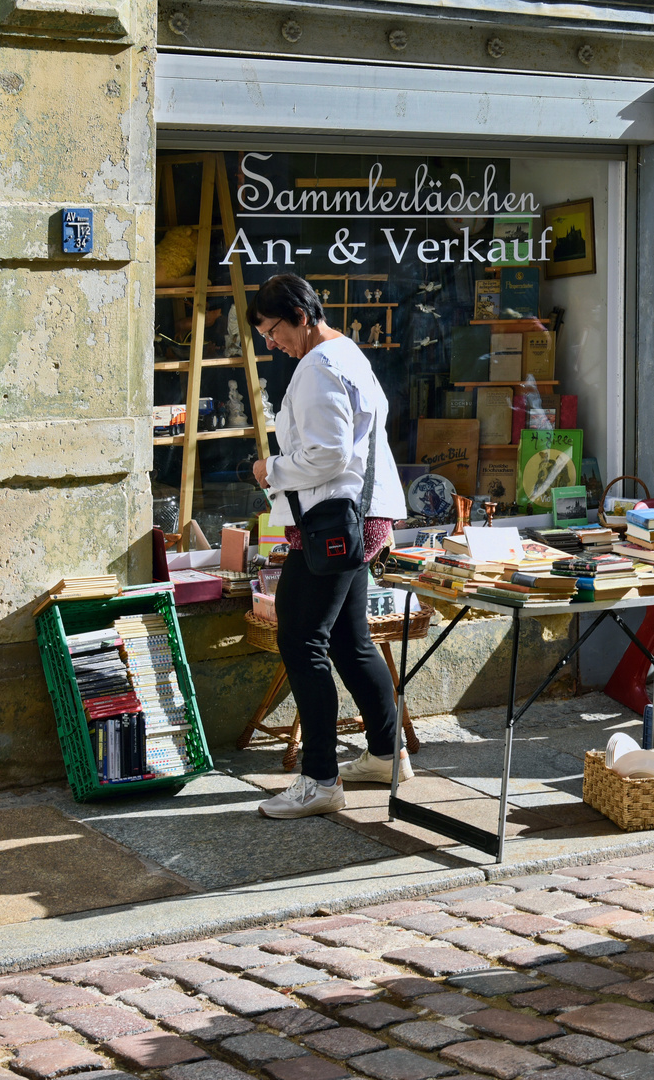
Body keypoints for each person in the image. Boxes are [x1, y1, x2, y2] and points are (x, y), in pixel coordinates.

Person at [248, 274, 410, 819]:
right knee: (349, 640)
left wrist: (267, 469)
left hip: (332, 521)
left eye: (272, 331)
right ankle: (388, 753)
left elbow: (329, 455)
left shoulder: (318, 369)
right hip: (354, 517)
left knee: (301, 640)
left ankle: (320, 778)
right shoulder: (345, 353)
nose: (272, 343)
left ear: (298, 313)